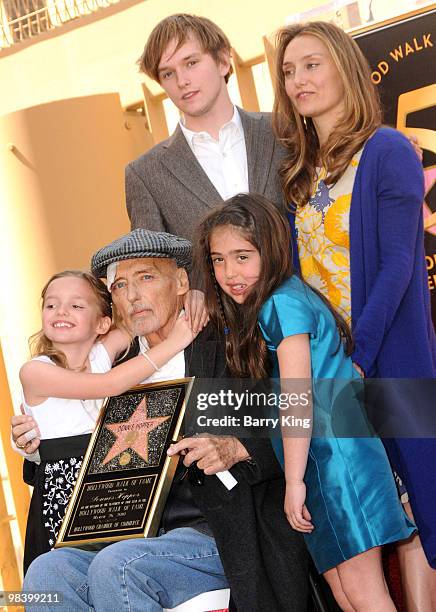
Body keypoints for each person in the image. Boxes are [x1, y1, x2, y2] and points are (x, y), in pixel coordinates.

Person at [16, 228, 309, 612]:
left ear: (182, 282)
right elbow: (68, 449)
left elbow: (305, 418)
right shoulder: (113, 370)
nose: (133, 295)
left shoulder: (226, 351)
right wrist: (33, 446)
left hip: (219, 532)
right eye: (120, 285)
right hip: (133, 534)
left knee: (119, 566)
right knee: (47, 573)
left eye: (147, 277)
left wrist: (238, 447)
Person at [271, 20, 436, 608]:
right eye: (289, 71)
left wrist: (359, 357)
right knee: (365, 511)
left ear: (344, 67)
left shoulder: (388, 150)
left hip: (388, 356)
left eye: (312, 64)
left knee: (415, 500)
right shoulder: (298, 171)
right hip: (327, 369)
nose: (298, 80)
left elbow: (397, 266)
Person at [196, 193, 416, 612]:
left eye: (243, 256)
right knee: (345, 591)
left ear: (272, 249)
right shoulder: (280, 299)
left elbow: (297, 400)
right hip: (320, 460)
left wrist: (294, 482)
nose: (229, 273)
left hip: (336, 459)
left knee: (364, 592)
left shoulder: (282, 303)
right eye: (218, 260)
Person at [125, 13, 287, 245]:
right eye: (168, 73)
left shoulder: (284, 131)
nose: (182, 81)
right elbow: (154, 269)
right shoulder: (146, 174)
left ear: (222, 61)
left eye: (191, 63)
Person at [15, 271, 131, 572]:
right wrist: (178, 339)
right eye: (51, 305)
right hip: (61, 492)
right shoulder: (35, 370)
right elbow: (108, 385)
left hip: (109, 485)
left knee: (113, 571)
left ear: (102, 322)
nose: (61, 312)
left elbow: (137, 323)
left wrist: (118, 293)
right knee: (70, 576)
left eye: (76, 305)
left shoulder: (102, 354)